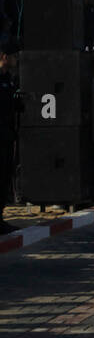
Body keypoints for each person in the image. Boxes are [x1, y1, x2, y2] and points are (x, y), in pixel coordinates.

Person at [0, 40, 19, 235]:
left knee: (5, 178)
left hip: (7, 135)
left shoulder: (9, 79)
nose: (16, 60)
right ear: (4, 57)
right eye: (13, 56)